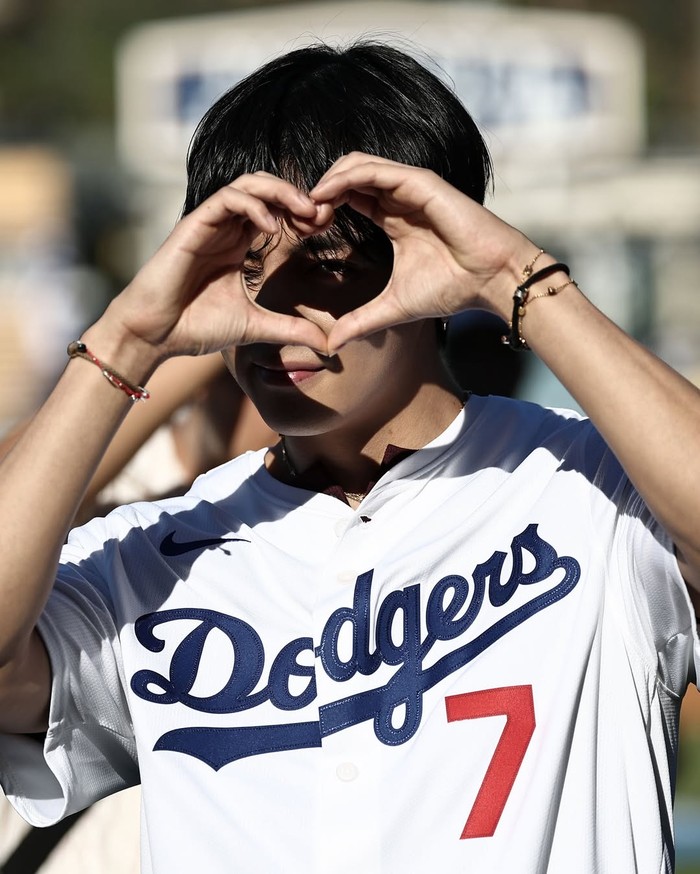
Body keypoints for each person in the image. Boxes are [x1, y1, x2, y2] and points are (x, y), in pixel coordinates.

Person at [0, 39, 697, 874]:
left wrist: (513, 274)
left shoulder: (593, 491)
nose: (278, 307)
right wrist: (129, 339)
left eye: (326, 263)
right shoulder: (150, 557)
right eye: (243, 266)